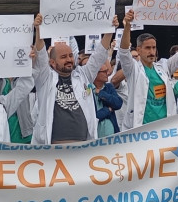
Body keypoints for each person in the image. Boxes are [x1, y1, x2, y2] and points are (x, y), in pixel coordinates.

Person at [31, 13, 116, 144]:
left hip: (82, 147)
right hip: (53, 147)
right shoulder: (45, 78)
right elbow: (41, 55)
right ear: (52, 62)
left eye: (70, 55)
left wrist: (110, 31)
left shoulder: (83, 75)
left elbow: (99, 55)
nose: (69, 59)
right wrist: (38, 29)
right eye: (63, 57)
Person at [117, 10, 178, 129]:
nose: (152, 52)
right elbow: (123, 52)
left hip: (164, 128)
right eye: (147, 48)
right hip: (141, 128)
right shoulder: (133, 69)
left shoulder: (164, 66)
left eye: (154, 47)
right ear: (138, 50)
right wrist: (127, 26)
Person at [93, 61, 121, 138]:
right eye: (104, 71)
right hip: (95, 137)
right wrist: (108, 110)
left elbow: (118, 103)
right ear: (95, 73)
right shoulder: (88, 90)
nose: (108, 73)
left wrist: (101, 93)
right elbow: (94, 116)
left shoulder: (109, 87)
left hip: (112, 135)